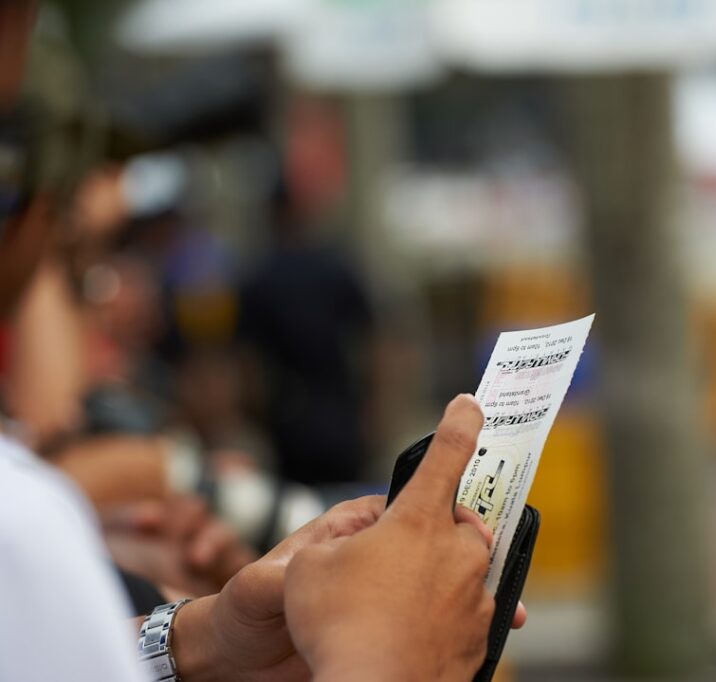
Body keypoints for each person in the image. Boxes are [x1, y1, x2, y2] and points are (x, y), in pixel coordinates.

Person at [0, 2, 521, 679]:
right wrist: (386, 655)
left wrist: (198, 635)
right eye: (78, 260)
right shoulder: (26, 524)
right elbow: (387, 344)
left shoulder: (31, 524)